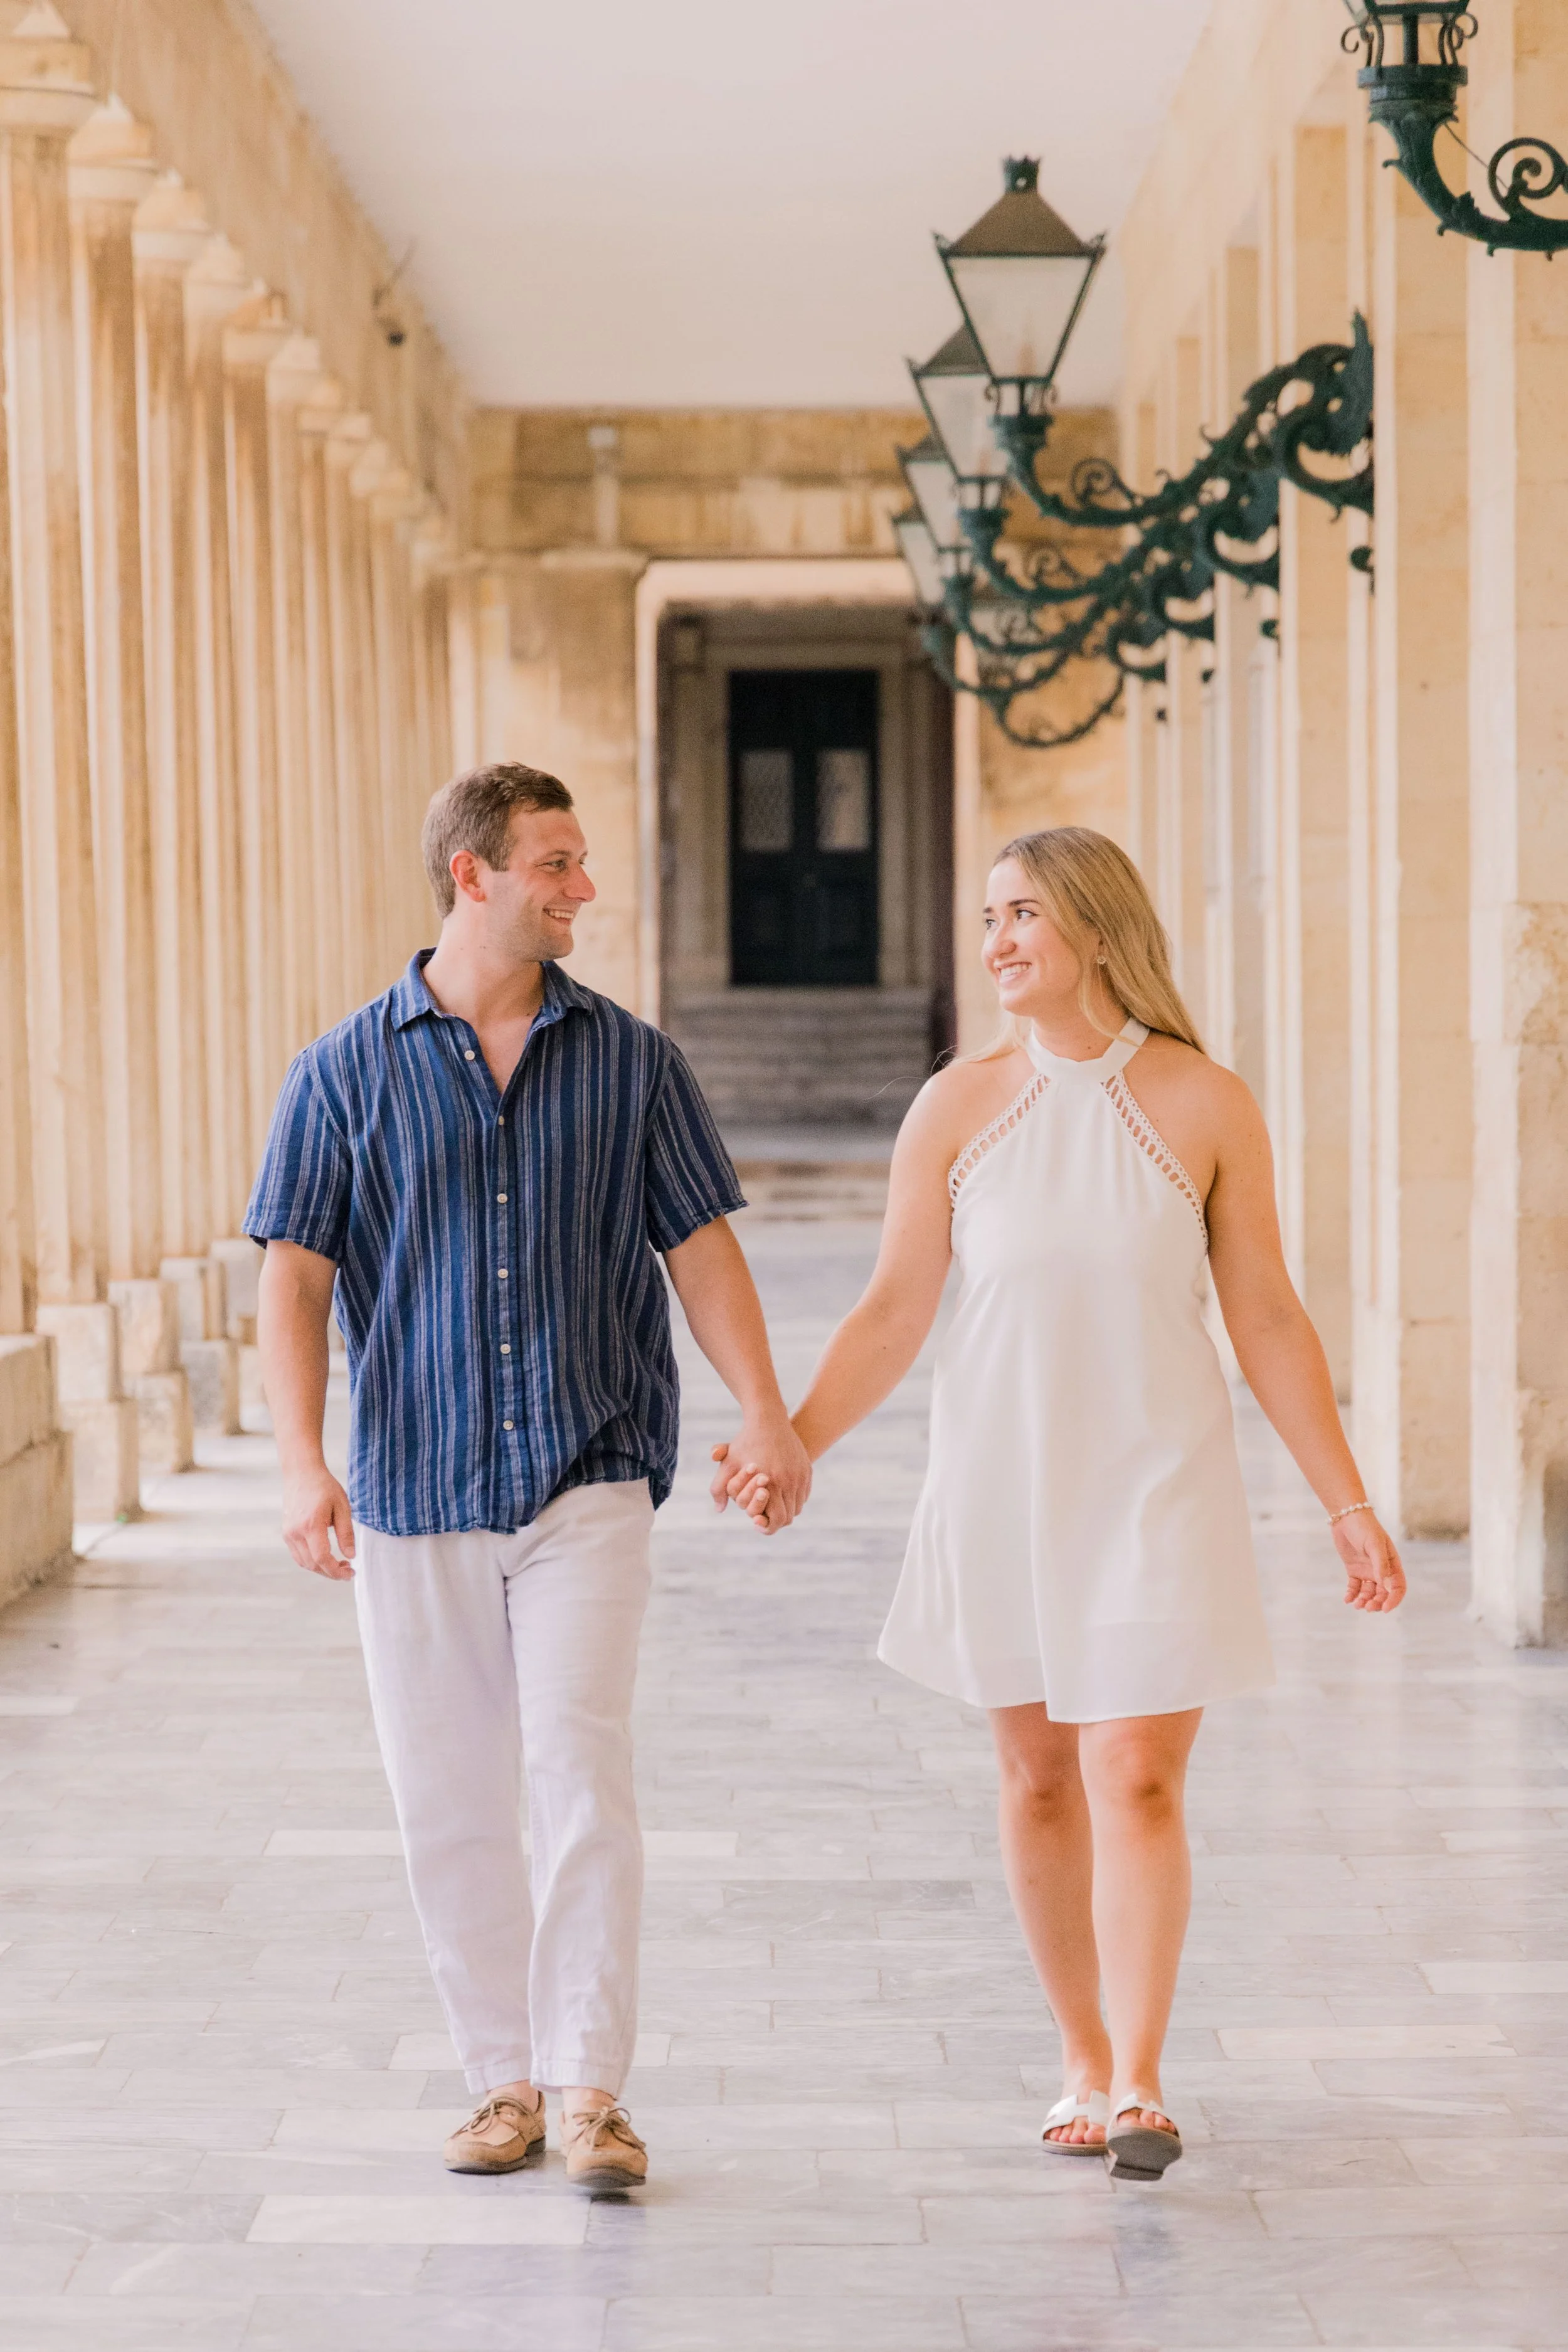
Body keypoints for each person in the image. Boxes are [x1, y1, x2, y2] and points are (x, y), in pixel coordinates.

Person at [721, 825, 1404, 2181]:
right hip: (1004, 1482)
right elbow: (892, 1309)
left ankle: (1142, 2080)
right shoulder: (957, 1108)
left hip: (1158, 1479)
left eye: (1022, 913)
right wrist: (790, 1439)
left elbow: (1262, 1314)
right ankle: (1081, 2058)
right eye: (986, 917)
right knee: (1037, 1779)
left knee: (1133, 1772)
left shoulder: (1204, 1102)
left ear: (1095, 927)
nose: (996, 942)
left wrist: (1343, 1500)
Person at [249, 761, 810, 2192]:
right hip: (415, 1480)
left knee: (580, 1776)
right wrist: (303, 1463)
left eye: (579, 862)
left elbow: (700, 1250)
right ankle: (496, 2081)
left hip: (588, 1472)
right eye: (556, 863)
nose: (583, 888)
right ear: (473, 876)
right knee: (446, 1793)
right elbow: (294, 1283)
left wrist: (769, 1412)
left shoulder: (631, 1062)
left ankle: (588, 2092)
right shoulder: (340, 1071)